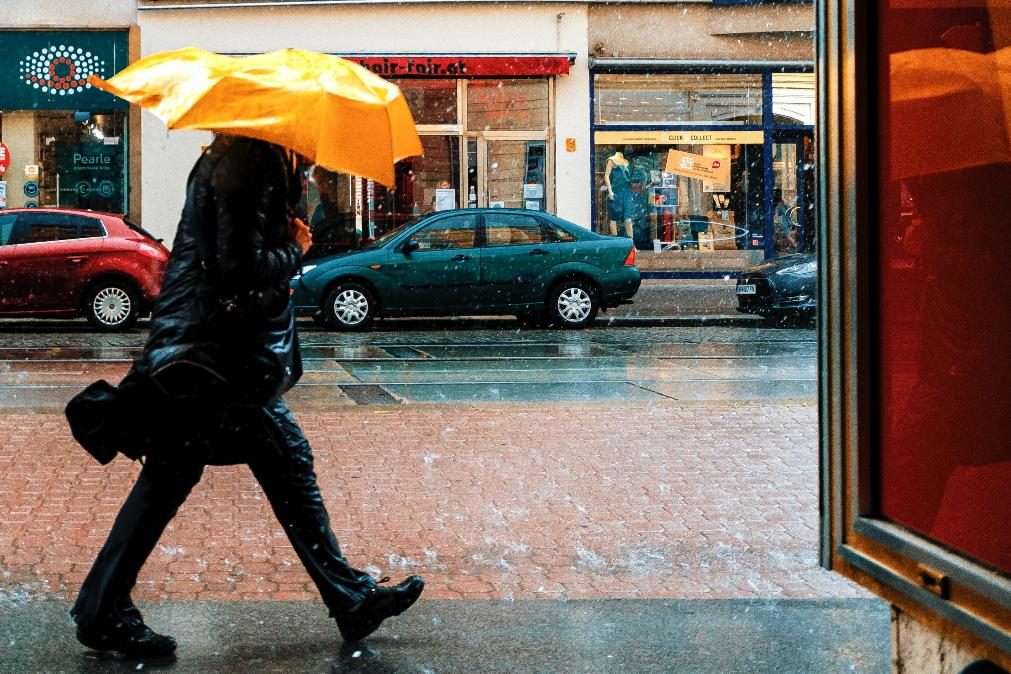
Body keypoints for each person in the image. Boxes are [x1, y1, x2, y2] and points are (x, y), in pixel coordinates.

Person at [70, 134, 424, 659]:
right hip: (215, 356)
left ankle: (348, 596)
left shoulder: (248, 160)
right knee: (191, 473)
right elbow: (237, 268)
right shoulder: (248, 160)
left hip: (216, 353)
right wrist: (294, 248)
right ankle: (101, 612)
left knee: (253, 466)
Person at [603, 150, 634, 238]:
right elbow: (606, 175)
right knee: (614, 218)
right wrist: (610, 191)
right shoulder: (612, 160)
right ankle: (615, 242)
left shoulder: (626, 162)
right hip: (616, 192)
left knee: (628, 219)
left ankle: (631, 244)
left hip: (626, 193)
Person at [773, 189, 796, 253]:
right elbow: (791, 212)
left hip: (784, 222)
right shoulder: (786, 205)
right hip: (789, 221)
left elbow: (776, 215)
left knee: (787, 235)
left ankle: (795, 245)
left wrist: (775, 220)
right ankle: (791, 245)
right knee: (786, 235)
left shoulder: (778, 207)